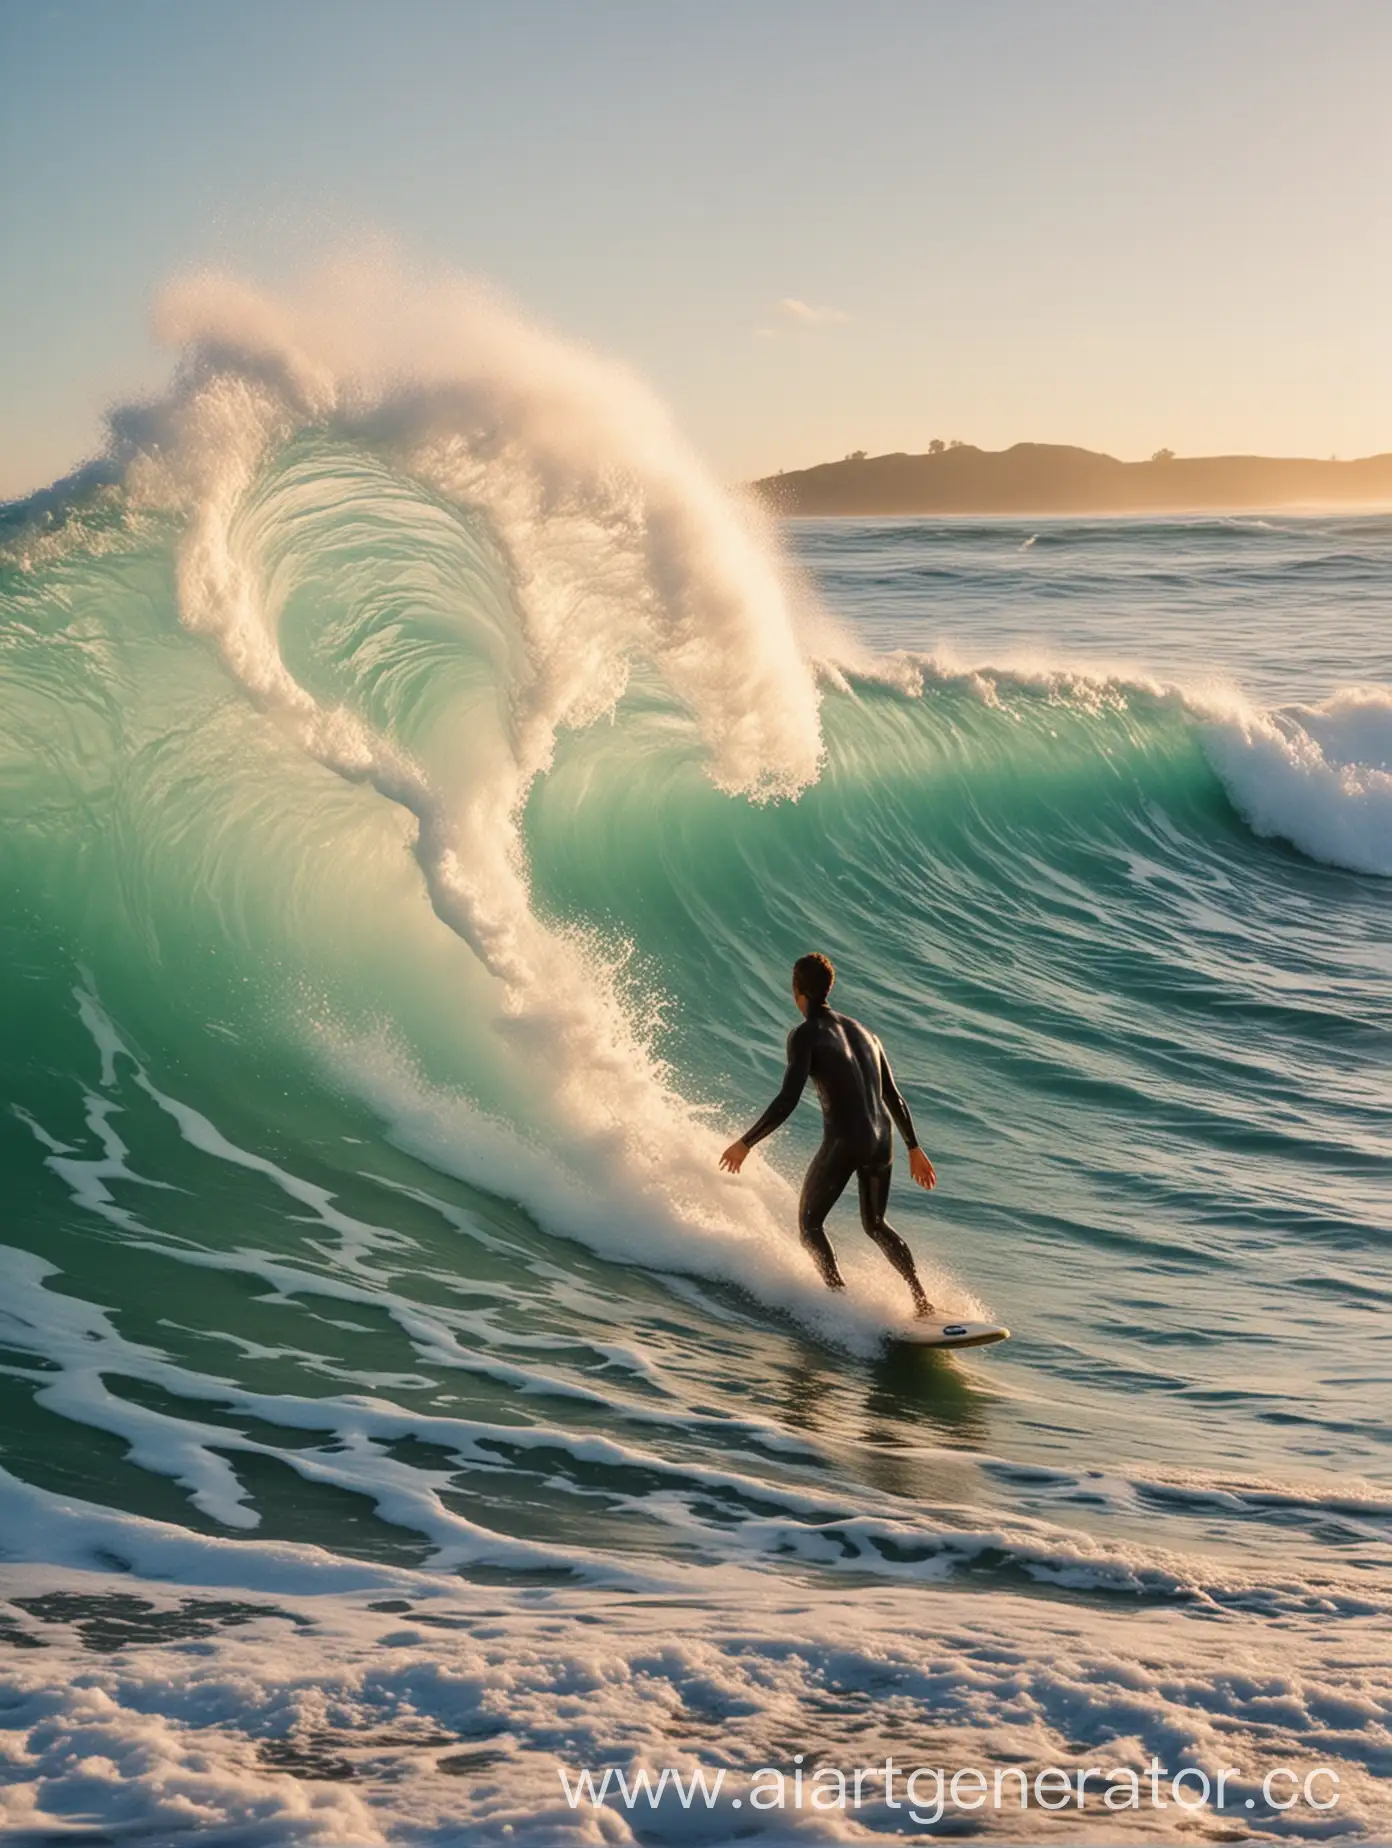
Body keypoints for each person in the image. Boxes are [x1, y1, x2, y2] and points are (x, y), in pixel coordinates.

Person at [720, 953, 938, 1317]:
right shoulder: (867, 1034)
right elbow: (893, 1097)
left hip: (846, 1141)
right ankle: (921, 1299)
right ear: (828, 988)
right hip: (882, 1139)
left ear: (796, 990)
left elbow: (787, 1099)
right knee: (876, 1224)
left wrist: (746, 1143)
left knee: (809, 1224)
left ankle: (838, 1299)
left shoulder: (805, 1035)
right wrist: (914, 1147)